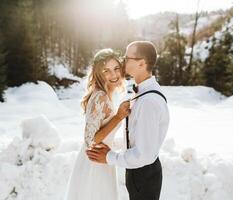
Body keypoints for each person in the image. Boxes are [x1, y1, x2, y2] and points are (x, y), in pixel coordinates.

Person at [87, 41, 170, 200]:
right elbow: (137, 136)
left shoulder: (148, 102)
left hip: (143, 174)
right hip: (138, 173)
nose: (123, 61)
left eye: (127, 57)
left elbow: (143, 155)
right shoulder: (141, 93)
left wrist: (109, 157)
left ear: (141, 63)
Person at [64, 48, 130, 200]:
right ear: (98, 73)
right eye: (106, 71)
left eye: (116, 69)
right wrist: (118, 117)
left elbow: (106, 134)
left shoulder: (108, 95)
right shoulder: (100, 97)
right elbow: (90, 140)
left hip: (103, 159)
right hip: (94, 163)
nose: (113, 75)